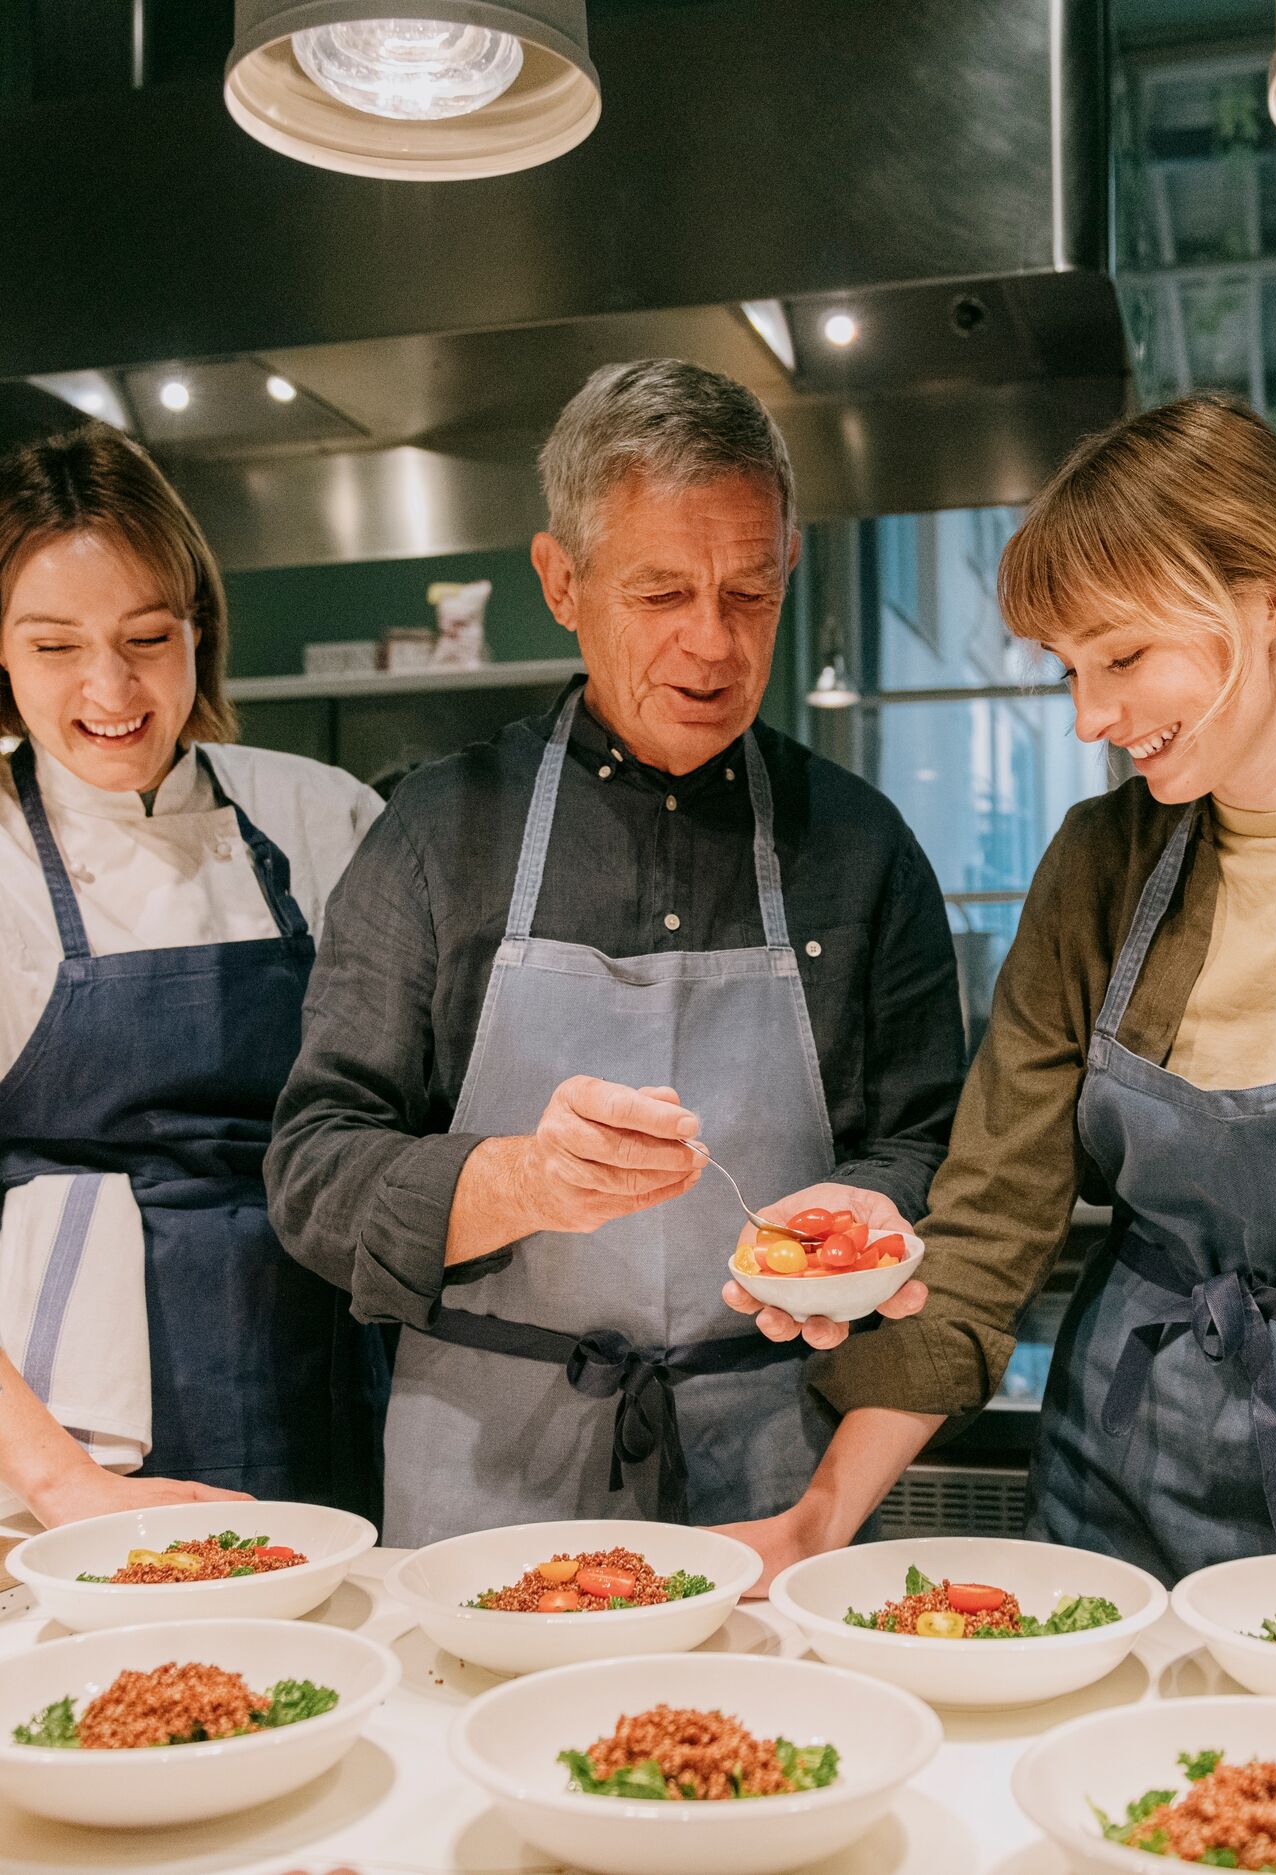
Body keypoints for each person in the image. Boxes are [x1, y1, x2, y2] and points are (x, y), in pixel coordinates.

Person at [734, 392, 1276, 1586]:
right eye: (1069, 668)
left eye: (1126, 655)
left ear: (1272, 596)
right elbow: (990, 1226)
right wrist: (820, 1520)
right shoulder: (1102, 861)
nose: (1093, 716)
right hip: (1114, 1520)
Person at [265, 359, 965, 1548]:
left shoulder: (860, 845)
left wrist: (866, 1218)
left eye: (750, 593)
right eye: (661, 594)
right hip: (488, 1479)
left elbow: (936, 1143)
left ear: (788, 567)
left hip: (778, 1480)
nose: (713, 644)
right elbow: (316, 1170)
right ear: (561, 580)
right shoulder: (437, 834)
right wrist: (520, 1182)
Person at [0, 423, 388, 1526]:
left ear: (198, 631)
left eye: (147, 636)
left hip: (322, 1367)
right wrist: (60, 1483)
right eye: (55, 646)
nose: (111, 688)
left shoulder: (325, 814)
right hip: (71, 1432)